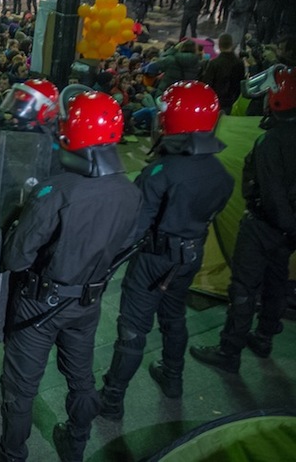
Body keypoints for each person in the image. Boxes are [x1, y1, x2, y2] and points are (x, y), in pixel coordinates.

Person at [0, 90, 141, 462]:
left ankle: (12, 456)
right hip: (87, 304)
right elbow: (125, 243)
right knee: (81, 379)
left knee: (20, 389)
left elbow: (15, 257)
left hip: (39, 304)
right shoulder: (130, 192)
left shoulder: (56, 191)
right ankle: (76, 444)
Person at [98, 82, 234, 420]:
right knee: (174, 316)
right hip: (190, 255)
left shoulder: (160, 172)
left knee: (133, 327)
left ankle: (113, 398)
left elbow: (133, 228)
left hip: (153, 261)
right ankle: (173, 378)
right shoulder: (221, 173)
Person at [191, 66, 296, 372]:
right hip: (288, 231)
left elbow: (272, 193)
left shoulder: (272, 141)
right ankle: (264, 336)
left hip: (264, 224)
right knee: (276, 282)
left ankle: (229, 351)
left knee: (244, 287)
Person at [0, 79, 61, 364]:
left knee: (21, 301)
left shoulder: (55, 153)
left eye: (21, 112)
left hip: (34, 244)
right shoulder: (6, 141)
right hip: (0, 233)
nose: (14, 118)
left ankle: (14, 356)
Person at [200, 33, 246, 114]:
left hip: (217, 101)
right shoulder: (239, 63)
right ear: (231, 45)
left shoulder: (214, 63)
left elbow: (207, 83)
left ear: (219, 46)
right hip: (234, 101)